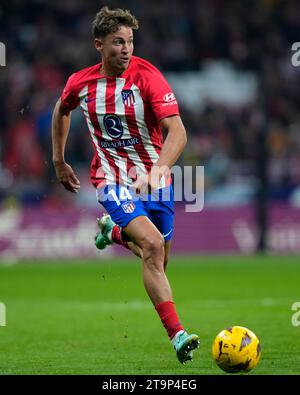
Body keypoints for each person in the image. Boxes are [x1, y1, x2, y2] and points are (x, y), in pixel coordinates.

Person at [52, 6, 199, 364]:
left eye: (130, 41)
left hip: (154, 177)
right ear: (99, 45)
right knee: (150, 244)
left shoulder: (147, 76)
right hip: (111, 177)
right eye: (118, 42)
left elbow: (177, 131)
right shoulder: (81, 83)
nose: (126, 48)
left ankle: (112, 232)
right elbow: (62, 108)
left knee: (160, 257)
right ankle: (178, 335)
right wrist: (58, 160)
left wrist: (157, 170)